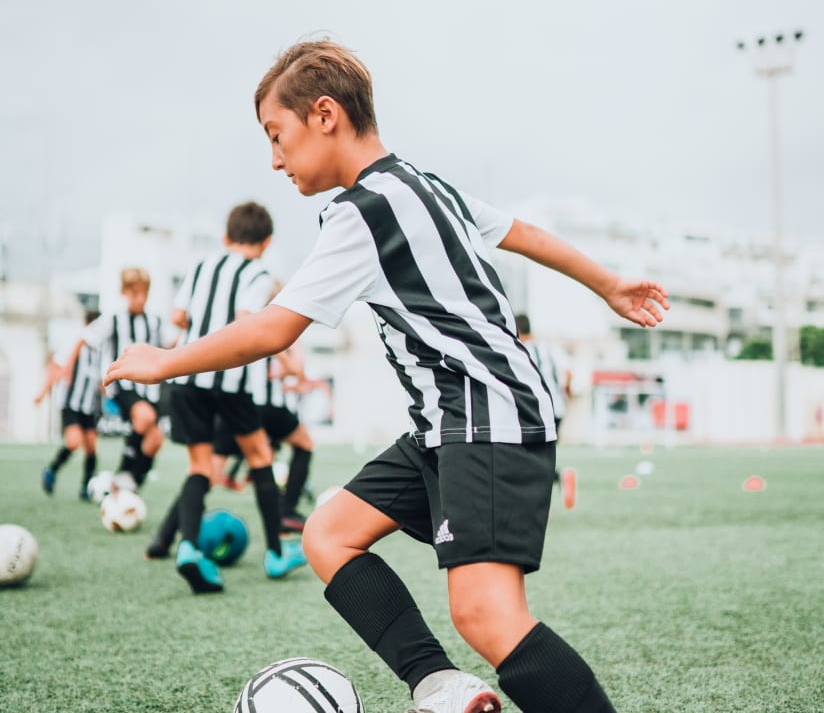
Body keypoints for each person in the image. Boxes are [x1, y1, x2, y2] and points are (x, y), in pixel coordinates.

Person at [104, 40, 669, 712]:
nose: (275, 159)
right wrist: (607, 281)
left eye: (276, 135)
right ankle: (439, 685)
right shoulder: (425, 185)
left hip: (485, 410)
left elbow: (272, 328)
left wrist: (165, 360)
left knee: (487, 616)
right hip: (447, 418)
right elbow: (520, 232)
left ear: (324, 115)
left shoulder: (361, 213)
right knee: (328, 532)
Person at [148, 201, 306, 593]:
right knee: (259, 457)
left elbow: (179, 317)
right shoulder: (259, 272)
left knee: (200, 467)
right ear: (266, 242)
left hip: (188, 374)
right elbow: (247, 317)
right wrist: (282, 354)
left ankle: (187, 548)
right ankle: (274, 554)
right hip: (232, 378)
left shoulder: (201, 266)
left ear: (225, 236)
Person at [65, 268, 166, 489]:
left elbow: (167, 346)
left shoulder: (155, 321)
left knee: (155, 440)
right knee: (145, 416)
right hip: (125, 383)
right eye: (135, 293)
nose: (140, 298)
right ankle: (123, 472)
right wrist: (68, 368)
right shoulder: (114, 318)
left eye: (144, 293)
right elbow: (85, 338)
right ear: (125, 292)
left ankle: (132, 485)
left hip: (150, 388)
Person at [214, 346, 315, 532]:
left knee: (208, 470)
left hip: (235, 402)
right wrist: (287, 364)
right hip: (269, 407)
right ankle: (287, 512)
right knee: (303, 445)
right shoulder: (286, 328)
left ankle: (169, 535)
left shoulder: (242, 322)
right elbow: (297, 369)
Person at [36, 309, 102, 500]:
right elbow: (56, 367)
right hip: (71, 403)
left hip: (88, 406)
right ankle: (51, 469)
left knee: (91, 447)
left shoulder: (100, 349)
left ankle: (86, 488)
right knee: (74, 442)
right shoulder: (75, 343)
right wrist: (42, 393)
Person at [515, 312, 577, 509]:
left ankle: (541, 500)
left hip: (531, 410)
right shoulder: (548, 348)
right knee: (541, 455)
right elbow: (568, 371)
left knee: (526, 457)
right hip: (555, 409)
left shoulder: (517, 350)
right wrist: (565, 391)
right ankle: (557, 479)